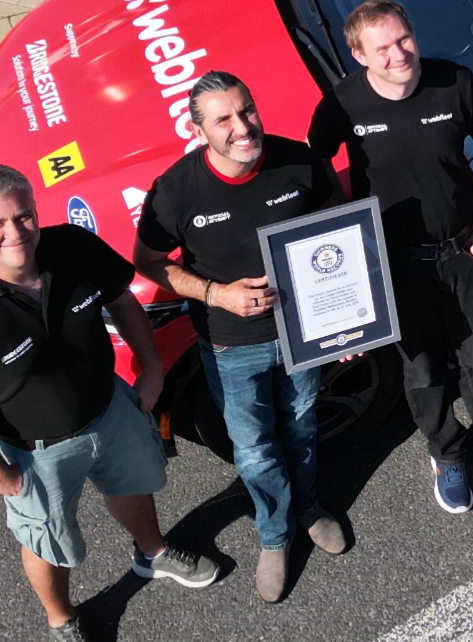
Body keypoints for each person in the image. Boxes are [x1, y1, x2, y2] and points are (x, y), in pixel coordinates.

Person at [0, 164, 219, 642]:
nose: (15, 234)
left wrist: (152, 369)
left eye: (23, 217)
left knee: (133, 487)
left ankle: (153, 555)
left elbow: (121, 299)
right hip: (35, 452)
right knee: (47, 543)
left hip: (111, 410)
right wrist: (0, 475)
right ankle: (61, 618)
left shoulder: (73, 247)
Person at [307, 0, 473, 514]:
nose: (399, 54)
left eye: (403, 39)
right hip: (393, 262)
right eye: (382, 47)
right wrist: (346, 239)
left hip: (465, 248)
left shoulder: (453, 80)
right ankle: (447, 454)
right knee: (421, 368)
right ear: (359, 55)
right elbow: (316, 167)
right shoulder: (343, 103)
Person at [132, 71, 347, 604]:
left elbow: (339, 230)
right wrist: (215, 293)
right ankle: (275, 537)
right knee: (253, 451)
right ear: (198, 128)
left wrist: (347, 318)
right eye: (223, 119)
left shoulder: (298, 162)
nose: (242, 127)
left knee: (300, 428)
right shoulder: (177, 191)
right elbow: (149, 264)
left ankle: (307, 507)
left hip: (303, 332)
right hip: (232, 344)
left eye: (247, 110)